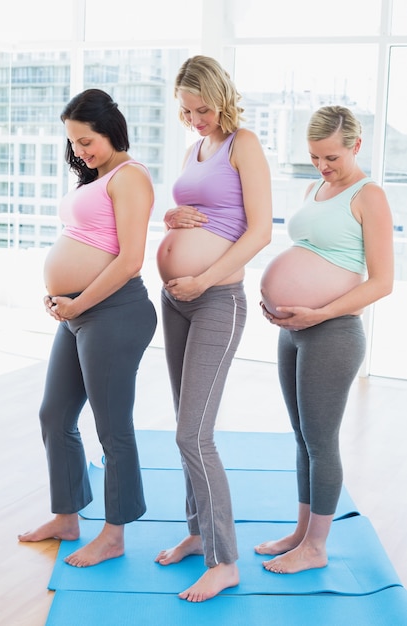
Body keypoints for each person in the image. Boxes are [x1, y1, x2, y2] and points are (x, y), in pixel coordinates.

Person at [18, 89, 157, 567]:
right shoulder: (94, 180)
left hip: (114, 312)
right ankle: (67, 515)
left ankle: (115, 534)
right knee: (54, 415)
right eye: (74, 143)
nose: (80, 150)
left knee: (113, 428)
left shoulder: (130, 177)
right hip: (79, 313)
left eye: (87, 140)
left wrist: (78, 304)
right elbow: (83, 243)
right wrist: (61, 296)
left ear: (111, 131)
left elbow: (131, 260)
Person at [256, 105, 394, 574]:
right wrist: (278, 299)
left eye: (331, 157)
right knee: (300, 438)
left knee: (321, 441)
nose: (323, 166)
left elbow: (382, 282)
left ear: (356, 146)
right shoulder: (317, 187)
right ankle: (301, 533)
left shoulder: (369, 195)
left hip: (333, 331)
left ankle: (316, 548)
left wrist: (318, 310)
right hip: (294, 331)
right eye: (315, 157)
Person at [154, 55, 272, 602]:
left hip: (216, 299)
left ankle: (225, 561)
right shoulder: (192, 147)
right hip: (176, 300)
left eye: (202, 109)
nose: (195, 119)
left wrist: (203, 280)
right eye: (186, 110)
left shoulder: (242, 143)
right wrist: (171, 221)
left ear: (222, 99)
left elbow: (260, 231)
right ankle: (198, 534)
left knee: (192, 434)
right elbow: (193, 211)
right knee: (184, 425)